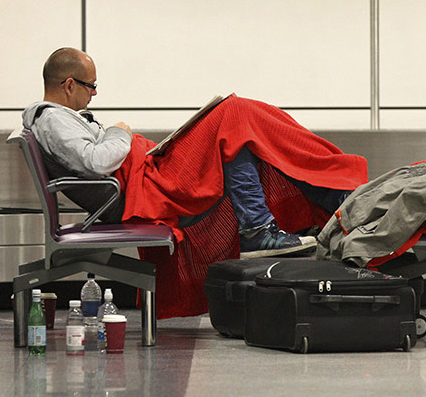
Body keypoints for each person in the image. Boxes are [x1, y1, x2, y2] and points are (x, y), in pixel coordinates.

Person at [22, 47, 368, 260]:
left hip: (149, 176)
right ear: (69, 84)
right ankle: (329, 196)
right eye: (91, 86)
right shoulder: (53, 120)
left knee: (242, 120)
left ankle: (334, 196)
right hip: (145, 189)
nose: (94, 94)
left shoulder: (59, 119)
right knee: (235, 115)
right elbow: (97, 162)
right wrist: (119, 131)